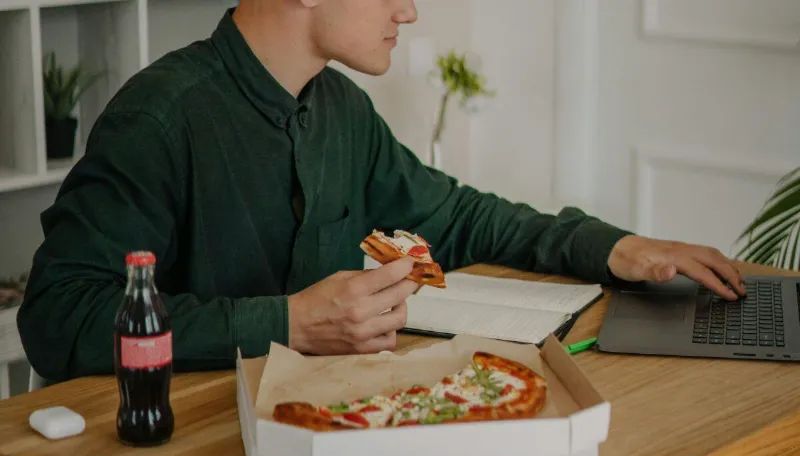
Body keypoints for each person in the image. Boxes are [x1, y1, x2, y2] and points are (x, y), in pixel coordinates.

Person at [17, 0, 746, 384]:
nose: (410, 11)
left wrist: (616, 246)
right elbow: (57, 313)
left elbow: (456, 215)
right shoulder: (160, 118)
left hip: (306, 444)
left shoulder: (340, 108)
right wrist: (287, 321)